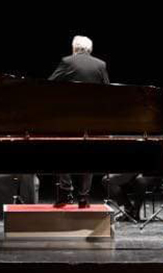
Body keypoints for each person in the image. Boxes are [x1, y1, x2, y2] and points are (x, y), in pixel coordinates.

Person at [49, 35, 108, 207]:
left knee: (62, 155)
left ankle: (66, 193)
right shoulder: (100, 64)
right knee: (88, 158)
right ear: (89, 49)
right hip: (92, 120)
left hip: (69, 118)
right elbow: (107, 90)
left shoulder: (67, 61)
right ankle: (84, 197)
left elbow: (49, 85)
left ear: (74, 48)